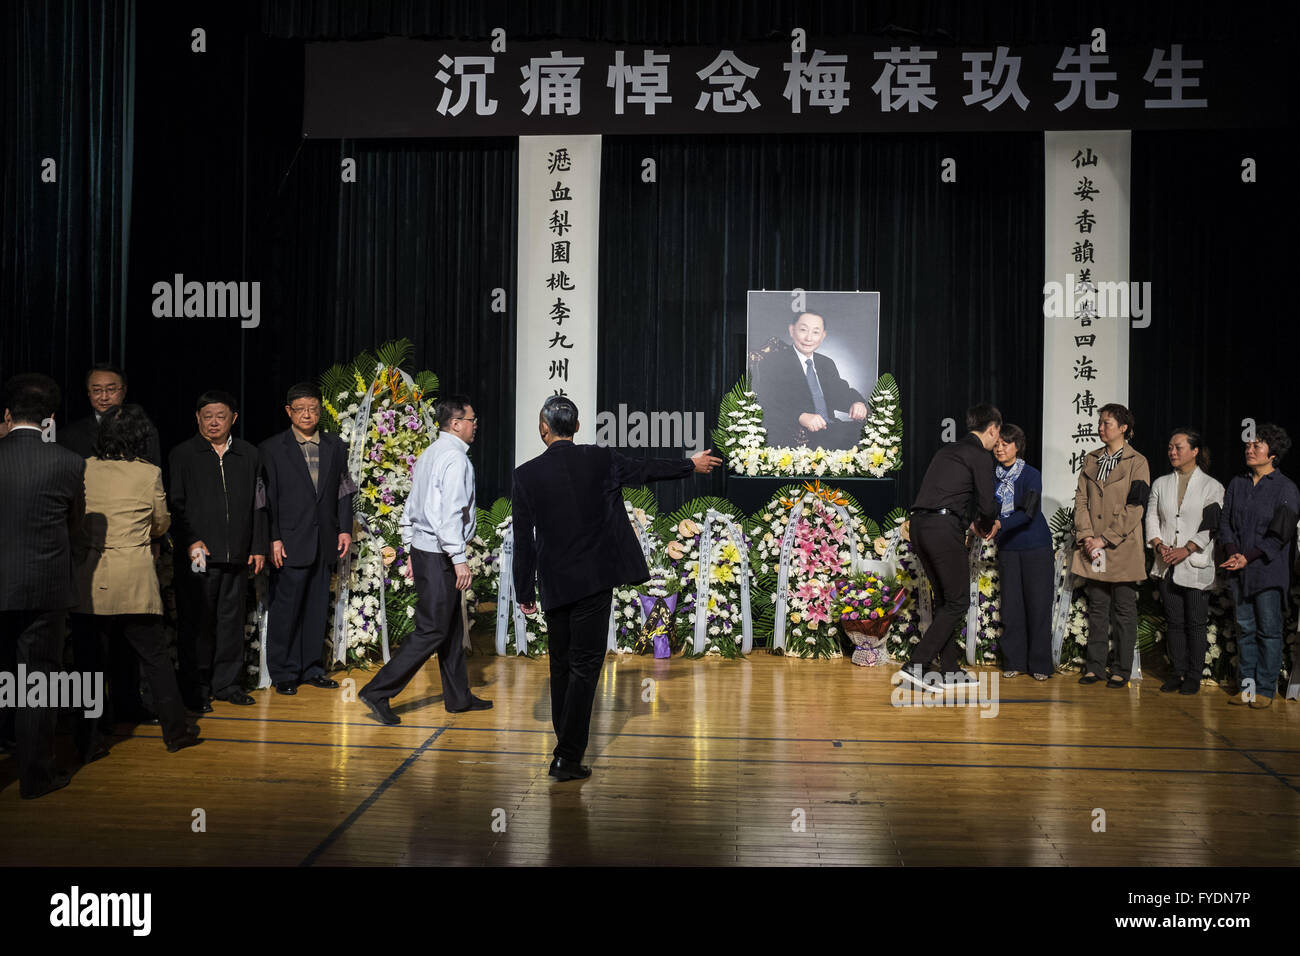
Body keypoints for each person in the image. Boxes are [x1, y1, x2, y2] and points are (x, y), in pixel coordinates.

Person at [512, 396, 722, 781]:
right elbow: (647, 469)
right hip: (594, 580)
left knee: (561, 665)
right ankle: (567, 756)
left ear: (543, 429)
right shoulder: (601, 459)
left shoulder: (526, 475)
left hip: (556, 583)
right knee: (585, 666)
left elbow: (524, 539)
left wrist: (523, 589)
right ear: (576, 428)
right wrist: (690, 464)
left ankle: (566, 748)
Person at [71, 405, 201, 757]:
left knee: (89, 663)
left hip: (90, 576)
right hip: (133, 576)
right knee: (156, 658)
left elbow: (73, 520)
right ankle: (176, 732)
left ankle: (89, 739)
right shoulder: (148, 473)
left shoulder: (81, 468)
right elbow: (160, 523)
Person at [359, 395, 489, 724]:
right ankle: (377, 691)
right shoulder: (455, 459)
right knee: (432, 629)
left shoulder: (432, 452)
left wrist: (411, 547)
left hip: (427, 549)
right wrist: (458, 559)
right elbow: (448, 516)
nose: (476, 425)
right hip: (440, 552)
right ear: (456, 424)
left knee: (450, 627)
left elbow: (413, 505)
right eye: (472, 420)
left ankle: (458, 697)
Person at [0, 374, 85, 798]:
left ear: (7, 414)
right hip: (43, 587)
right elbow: (75, 525)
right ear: (50, 418)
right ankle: (35, 778)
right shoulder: (69, 462)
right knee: (35, 682)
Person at [169, 390, 268, 711]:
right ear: (197, 418)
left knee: (231, 621)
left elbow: (259, 505)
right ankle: (195, 687)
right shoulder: (183, 454)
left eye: (220, 416)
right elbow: (175, 505)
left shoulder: (249, 454)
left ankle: (226, 684)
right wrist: (190, 541)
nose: (214, 422)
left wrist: (257, 546)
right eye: (207, 416)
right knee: (198, 621)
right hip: (199, 556)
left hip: (238, 554)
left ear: (233, 419)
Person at [260, 383, 354, 695]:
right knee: (286, 609)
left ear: (320, 409)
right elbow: (266, 499)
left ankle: (312, 667)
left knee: (316, 608)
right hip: (289, 542)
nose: (307, 414)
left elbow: (344, 490)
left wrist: (344, 528)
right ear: (289, 411)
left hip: (324, 540)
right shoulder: (272, 448)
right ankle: (284, 672)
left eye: (313, 408)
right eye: (300, 409)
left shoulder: (335, 446)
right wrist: (273, 538)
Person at [899, 404, 1001, 688]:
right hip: (942, 529)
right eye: (997, 435)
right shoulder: (979, 455)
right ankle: (917, 665)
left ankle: (950, 669)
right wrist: (986, 524)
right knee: (957, 601)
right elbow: (987, 504)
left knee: (946, 600)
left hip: (918, 526)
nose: (997, 442)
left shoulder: (947, 451)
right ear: (992, 429)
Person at [1217, 424, 1298, 709]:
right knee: (1245, 629)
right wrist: (1232, 552)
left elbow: (1279, 535)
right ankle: (1247, 687)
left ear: (1273, 453)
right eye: (1249, 445)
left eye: (1257, 445)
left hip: (1267, 570)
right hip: (1239, 569)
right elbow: (1225, 522)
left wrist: (1247, 557)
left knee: (1268, 631)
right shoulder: (1238, 483)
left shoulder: (1286, 488)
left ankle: (1265, 688)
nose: (1249, 449)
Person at [1072, 403, 1151, 689]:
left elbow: (1136, 506)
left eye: (1107, 423)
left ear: (1124, 428)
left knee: (1124, 610)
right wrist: (1087, 537)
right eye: (1100, 422)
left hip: (1121, 547)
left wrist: (1105, 539)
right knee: (1097, 608)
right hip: (1093, 546)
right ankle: (1094, 666)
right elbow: (1081, 500)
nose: (1101, 427)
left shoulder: (1137, 461)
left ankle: (1122, 668)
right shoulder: (1091, 459)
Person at [1146, 428, 1224, 696]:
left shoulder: (1212, 486)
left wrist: (1187, 549)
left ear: (1195, 451)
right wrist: (1158, 545)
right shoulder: (1160, 483)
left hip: (1195, 564)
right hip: (1166, 562)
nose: (1172, 452)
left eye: (1178, 447)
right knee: (1174, 621)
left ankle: (1193, 675)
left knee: (1195, 622)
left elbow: (1211, 525)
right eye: (1170, 447)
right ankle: (1177, 672)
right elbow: (1152, 518)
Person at [991, 424, 1054, 681]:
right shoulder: (990, 475)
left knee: (1038, 605)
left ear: (1017, 446)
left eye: (1006, 443)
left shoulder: (1031, 474)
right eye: (996, 444)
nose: (1000, 448)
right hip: (1007, 547)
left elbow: (1029, 511)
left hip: (1035, 546)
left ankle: (1040, 664)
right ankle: (1014, 661)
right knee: (1011, 607)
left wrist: (999, 524)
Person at [753, 311, 868, 449]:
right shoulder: (774, 362)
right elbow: (767, 402)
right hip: (795, 435)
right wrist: (799, 416)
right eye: (803, 330)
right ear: (792, 330)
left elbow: (840, 392)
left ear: (823, 336)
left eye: (815, 332)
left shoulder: (826, 363)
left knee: (873, 436)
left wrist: (856, 402)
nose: (809, 338)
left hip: (830, 429)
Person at [58, 362, 162, 465]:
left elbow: (153, 471)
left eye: (111, 390)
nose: (104, 397)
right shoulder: (70, 435)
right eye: (97, 390)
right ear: (88, 393)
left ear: (124, 390)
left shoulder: (145, 431)